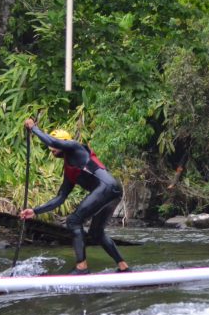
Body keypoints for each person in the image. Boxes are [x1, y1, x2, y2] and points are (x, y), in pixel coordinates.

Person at [19, 118, 130, 275]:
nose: (51, 148)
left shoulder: (74, 147)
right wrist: (35, 211)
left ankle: (81, 267)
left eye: (55, 145)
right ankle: (123, 267)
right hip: (112, 192)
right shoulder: (70, 168)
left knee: (73, 221)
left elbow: (51, 140)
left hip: (107, 188)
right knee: (96, 233)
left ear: (63, 142)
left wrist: (34, 128)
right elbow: (60, 198)